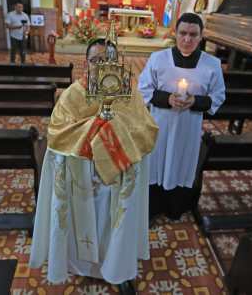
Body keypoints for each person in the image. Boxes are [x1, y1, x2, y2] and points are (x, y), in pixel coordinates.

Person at [29, 38, 159, 294]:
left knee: (111, 223)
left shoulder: (128, 93)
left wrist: (112, 129)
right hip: (81, 178)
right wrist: (98, 128)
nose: (100, 66)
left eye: (107, 60)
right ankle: (77, 265)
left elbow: (146, 130)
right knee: (81, 223)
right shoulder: (73, 93)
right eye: (95, 60)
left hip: (116, 178)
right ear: (86, 63)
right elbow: (57, 131)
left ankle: (116, 267)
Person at [138, 13, 226, 221]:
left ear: (201, 36)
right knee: (157, 163)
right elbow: (143, 90)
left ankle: (175, 208)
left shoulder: (212, 64)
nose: (187, 39)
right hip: (160, 125)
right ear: (175, 34)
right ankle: (153, 207)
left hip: (189, 127)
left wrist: (195, 101)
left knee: (181, 163)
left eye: (193, 34)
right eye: (183, 33)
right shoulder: (158, 59)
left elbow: (218, 96)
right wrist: (168, 99)